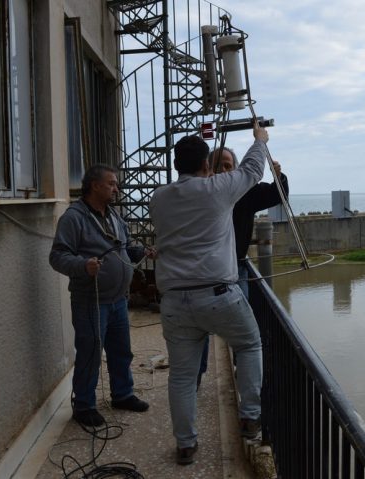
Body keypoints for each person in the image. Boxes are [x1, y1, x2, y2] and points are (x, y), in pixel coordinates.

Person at [148, 125, 269, 465]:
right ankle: (250, 415)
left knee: (183, 376)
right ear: (206, 165)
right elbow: (252, 170)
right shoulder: (216, 189)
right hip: (218, 295)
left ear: (176, 165)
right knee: (248, 345)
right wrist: (259, 141)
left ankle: (185, 444)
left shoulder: (158, 197)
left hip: (174, 300)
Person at [49, 164, 149, 428]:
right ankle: (83, 405)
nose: (117, 189)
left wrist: (141, 253)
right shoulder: (73, 218)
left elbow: (124, 248)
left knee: (121, 351)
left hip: (118, 300)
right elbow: (57, 257)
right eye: (112, 183)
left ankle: (123, 394)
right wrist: (83, 266)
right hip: (90, 301)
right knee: (90, 353)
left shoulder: (113, 216)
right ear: (95, 185)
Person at [195, 147, 289, 389]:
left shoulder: (243, 192)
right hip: (203, 272)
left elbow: (275, 194)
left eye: (229, 165)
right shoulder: (201, 193)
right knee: (199, 329)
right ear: (207, 168)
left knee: (245, 330)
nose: (224, 170)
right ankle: (197, 376)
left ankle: (244, 377)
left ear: (236, 169)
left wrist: (279, 176)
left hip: (236, 268)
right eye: (219, 165)